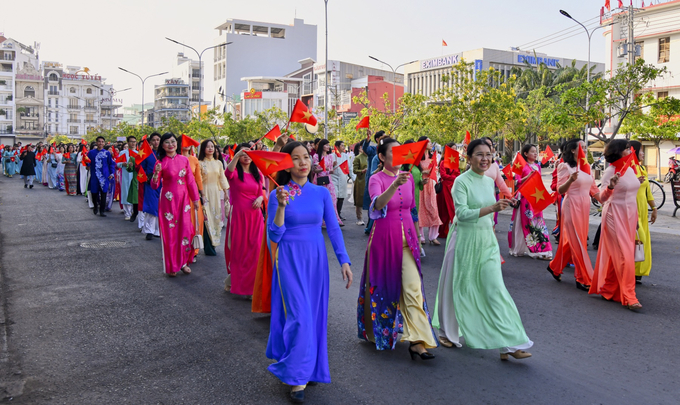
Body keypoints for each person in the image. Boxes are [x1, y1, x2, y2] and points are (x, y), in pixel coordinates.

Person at [267, 141, 353, 403]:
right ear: (287, 163)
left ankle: (308, 367)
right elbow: (274, 234)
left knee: (314, 317)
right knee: (300, 316)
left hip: (316, 261)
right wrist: (281, 206)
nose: (303, 162)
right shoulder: (278, 195)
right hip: (289, 260)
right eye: (296, 158)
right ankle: (296, 376)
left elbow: (334, 228)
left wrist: (344, 260)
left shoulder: (321, 193)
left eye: (306, 157)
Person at [432, 139, 533, 360]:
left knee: (495, 290)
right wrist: (492, 208)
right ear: (468, 158)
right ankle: (447, 332)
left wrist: (504, 204)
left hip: (487, 241)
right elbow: (462, 214)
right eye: (479, 154)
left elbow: (489, 213)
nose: (485, 159)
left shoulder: (489, 182)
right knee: (456, 286)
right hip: (464, 240)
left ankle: (510, 344)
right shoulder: (461, 182)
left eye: (488, 154)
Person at [357, 137, 438, 360]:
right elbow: (377, 205)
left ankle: (418, 340)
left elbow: (411, 210)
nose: (399, 156)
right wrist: (393, 185)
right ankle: (378, 332)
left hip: (407, 240)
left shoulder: (410, 178)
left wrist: (417, 239)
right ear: (382, 157)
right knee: (383, 289)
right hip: (383, 241)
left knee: (414, 288)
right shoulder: (376, 179)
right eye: (393, 152)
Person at [589, 140, 642, 309]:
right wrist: (610, 187)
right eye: (627, 148)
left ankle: (609, 288)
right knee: (625, 255)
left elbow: (633, 195)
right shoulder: (610, 172)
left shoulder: (630, 169)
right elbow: (602, 199)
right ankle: (629, 296)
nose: (630, 151)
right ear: (619, 151)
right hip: (614, 214)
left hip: (630, 215)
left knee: (618, 254)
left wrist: (637, 220)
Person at [547, 140, 601, 291]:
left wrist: (610, 193)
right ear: (572, 150)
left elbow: (594, 189)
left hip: (584, 206)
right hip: (571, 205)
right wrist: (570, 180)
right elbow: (560, 190)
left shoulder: (586, 167)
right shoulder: (564, 166)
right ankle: (583, 277)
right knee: (578, 241)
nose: (585, 150)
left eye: (585, 147)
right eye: (582, 147)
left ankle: (555, 267)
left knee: (574, 240)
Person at [151, 133, 200, 276]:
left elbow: (190, 181)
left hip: (184, 201)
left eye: (173, 141)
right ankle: (172, 265)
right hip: (168, 202)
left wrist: (196, 199)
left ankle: (184, 262)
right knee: (170, 234)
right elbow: (154, 186)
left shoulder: (184, 160)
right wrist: (156, 174)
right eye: (167, 142)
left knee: (185, 230)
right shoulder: (160, 162)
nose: (171, 144)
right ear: (162, 146)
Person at [224, 143, 264, 297]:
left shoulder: (257, 174)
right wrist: (236, 155)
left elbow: (261, 192)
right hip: (239, 216)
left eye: (249, 153)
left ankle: (253, 287)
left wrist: (260, 198)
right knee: (241, 251)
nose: (246, 156)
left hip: (255, 216)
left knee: (256, 250)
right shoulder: (234, 173)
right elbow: (227, 173)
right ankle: (240, 286)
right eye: (243, 153)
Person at [508, 144, 553, 260]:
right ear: (526, 153)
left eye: (536, 151)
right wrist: (527, 177)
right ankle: (521, 248)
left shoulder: (537, 166)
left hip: (536, 198)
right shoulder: (521, 166)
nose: (535, 153)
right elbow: (516, 182)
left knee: (539, 223)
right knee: (525, 222)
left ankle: (542, 249)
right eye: (532, 151)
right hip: (524, 198)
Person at [629, 141, 656, 284]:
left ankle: (637, 272)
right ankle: (629, 270)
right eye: (641, 150)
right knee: (639, 240)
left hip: (643, 209)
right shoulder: (630, 169)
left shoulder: (642, 168)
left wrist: (654, 208)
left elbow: (648, 192)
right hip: (632, 209)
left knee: (643, 243)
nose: (643, 153)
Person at [198, 139, 229, 256]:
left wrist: (226, 192)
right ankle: (208, 246)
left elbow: (222, 178)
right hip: (205, 192)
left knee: (216, 217)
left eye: (212, 146)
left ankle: (214, 243)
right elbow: (198, 180)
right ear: (203, 149)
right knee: (207, 217)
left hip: (216, 192)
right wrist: (201, 194)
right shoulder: (200, 163)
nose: (211, 148)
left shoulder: (219, 163)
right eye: (208, 146)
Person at [480, 137, 513, 228]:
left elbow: (501, 183)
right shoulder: (476, 164)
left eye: (490, 145)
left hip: (491, 199)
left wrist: (510, 197)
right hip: (477, 200)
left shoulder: (494, 165)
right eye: (485, 144)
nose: (488, 147)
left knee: (491, 224)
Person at [180, 136, 204, 259]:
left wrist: (202, 194)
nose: (186, 144)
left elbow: (198, 178)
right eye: (184, 142)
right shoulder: (175, 159)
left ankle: (193, 251)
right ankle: (181, 250)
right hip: (179, 194)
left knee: (195, 222)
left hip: (192, 194)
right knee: (182, 223)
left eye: (188, 142)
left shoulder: (194, 160)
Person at [312, 139, 343, 226]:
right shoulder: (316, 156)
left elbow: (329, 169)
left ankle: (334, 219)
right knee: (320, 201)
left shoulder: (330, 156)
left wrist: (331, 171)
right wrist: (323, 169)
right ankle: (321, 220)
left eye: (329, 145)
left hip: (328, 180)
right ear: (322, 146)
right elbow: (315, 170)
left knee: (333, 199)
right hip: (319, 180)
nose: (328, 147)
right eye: (326, 145)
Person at [418, 136, 442, 245]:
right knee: (420, 210)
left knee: (433, 209)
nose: (431, 143)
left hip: (430, 185)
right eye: (429, 142)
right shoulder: (418, 157)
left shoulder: (433, 156)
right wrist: (423, 172)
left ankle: (433, 236)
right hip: (421, 185)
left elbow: (435, 170)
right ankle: (421, 236)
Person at [361, 131, 385, 234]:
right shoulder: (373, 151)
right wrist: (367, 139)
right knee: (374, 204)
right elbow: (365, 148)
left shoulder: (388, 151)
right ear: (378, 139)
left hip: (385, 181)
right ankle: (370, 226)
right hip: (374, 180)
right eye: (384, 137)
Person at [436, 141, 460, 239]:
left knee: (454, 210)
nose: (454, 150)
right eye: (452, 148)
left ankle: (455, 231)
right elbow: (443, 175)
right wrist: (454, 178)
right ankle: (442, 232)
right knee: (444, 211)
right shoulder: (443, 162)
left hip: (453, 188)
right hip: (445, 188)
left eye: (455, 148)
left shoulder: (455, 162)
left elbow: (458, 173)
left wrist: (454, 178)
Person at [87, 137, 116, 217]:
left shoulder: (107, 153)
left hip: (105, 176)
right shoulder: (91, 153)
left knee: (104, 193)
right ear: (96, 142)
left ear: (104, 143)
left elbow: (111, 164)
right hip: (94, 176)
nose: (100, 143)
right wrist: (87, 165)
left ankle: (102, 210)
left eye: (102, 142)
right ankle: (95, 206)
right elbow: (88, 162)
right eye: (99, 141)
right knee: (94, 193)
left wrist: (112, 173)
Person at [141, 133, 162, 240]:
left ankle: (159, 230)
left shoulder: (165, 154)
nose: (156, 142)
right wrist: (147, 176)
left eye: (158, 139)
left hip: (163, 184)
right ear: (150, 142)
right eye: (153, 140)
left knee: (161, 206)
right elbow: (142, 168)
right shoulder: (147, 154)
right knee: (151, 206)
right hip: (151, 183)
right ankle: (149, 230)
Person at [118, 136, 137, 220]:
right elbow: (117, 163)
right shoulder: (123, 152)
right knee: (125, 193)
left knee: (134, 193)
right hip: (125, 175)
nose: (133, 143)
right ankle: (127, 213)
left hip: (134, 176)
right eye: (131, 141)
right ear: (128, 142)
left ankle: (134, 211)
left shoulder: (138, 153)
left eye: (134, 141)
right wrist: (123, 164)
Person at [331, 140, 349, 221]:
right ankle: (333, 214)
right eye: (342, 145)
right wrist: (332, 165)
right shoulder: (331, 156)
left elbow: (350, 168)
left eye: (344, 145)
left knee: (341, 197)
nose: (343, 147)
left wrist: (353, 177)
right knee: (334, 197)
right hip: (333, 178)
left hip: (343, 178)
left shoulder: (345, 156)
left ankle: (338, 213)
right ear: (337, 147)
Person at [352, 143, 368, 225]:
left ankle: (370, 220)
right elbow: (354, 170)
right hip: (361, 180)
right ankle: (359, 218)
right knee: (359, 200)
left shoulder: (371, 157)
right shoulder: (358, 158)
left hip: (370, 180)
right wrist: (362, 171)